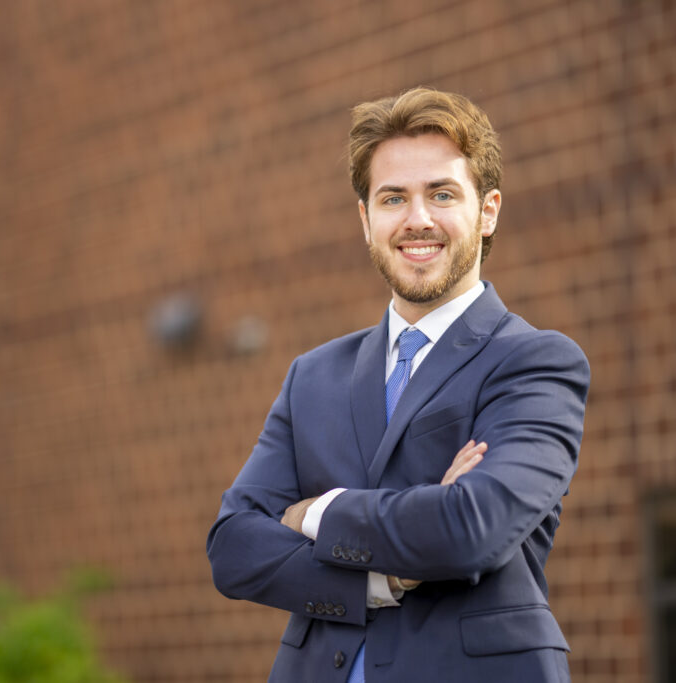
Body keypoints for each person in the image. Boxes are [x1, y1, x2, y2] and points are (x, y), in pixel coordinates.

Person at [206, 86, 589, 682]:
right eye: (393, 198)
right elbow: (233, 548)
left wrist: (317, 512)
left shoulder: (536, 363)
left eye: (442, 193)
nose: (418, 219)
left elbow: (472, 528)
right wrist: (382, 579)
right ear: (366, 220)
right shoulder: (313, 376)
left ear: (488, 211)